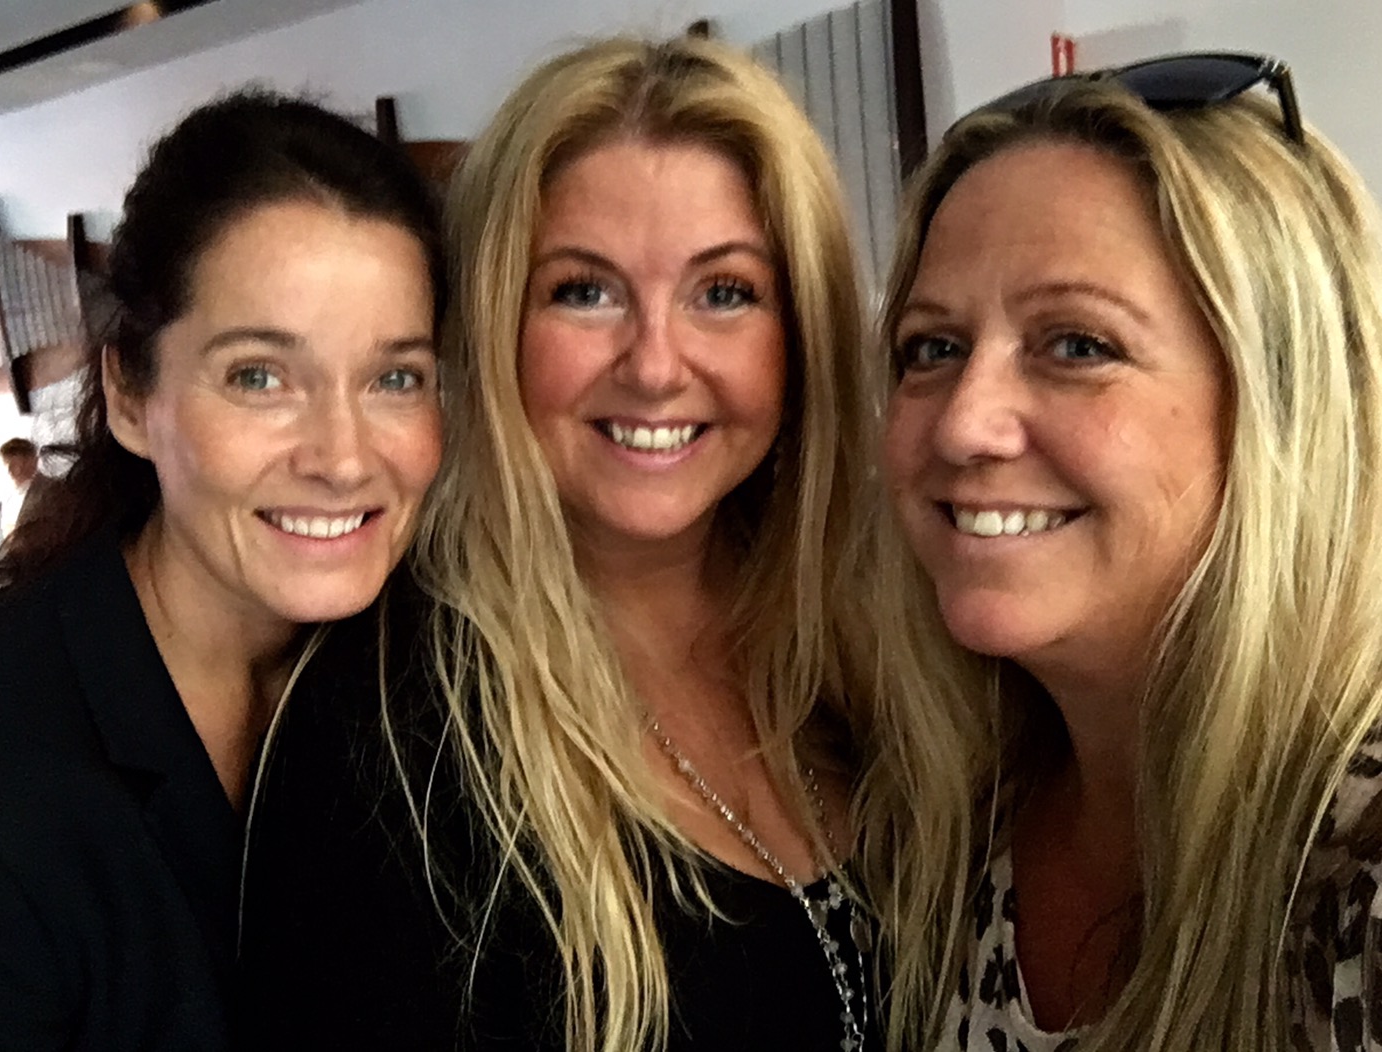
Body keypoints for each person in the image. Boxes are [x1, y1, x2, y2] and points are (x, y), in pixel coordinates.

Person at [240, 35, 927, 1052]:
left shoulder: (883, 643)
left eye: (723, 292)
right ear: (492, 323)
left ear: (802, 331)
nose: (654, 366)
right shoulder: (387, 728)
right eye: (583, 291)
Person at [870, 53, 1382, 1051]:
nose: (964, 423)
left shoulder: (1359, 864)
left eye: (1077, 346)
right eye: (932, 348)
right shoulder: (942, 818)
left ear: (1282, 404)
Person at [0, 90, 446, 1049]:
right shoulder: (11, 776)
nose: (343, 458)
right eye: (258, 377)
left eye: (394, 377)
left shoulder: (426, 672)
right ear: (128, 393)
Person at [0, 436, 39, 535]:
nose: (10, 470)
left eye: (16, 464)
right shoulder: (10, 498)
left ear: (33, 461)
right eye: (7, 463)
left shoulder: (46, 491)